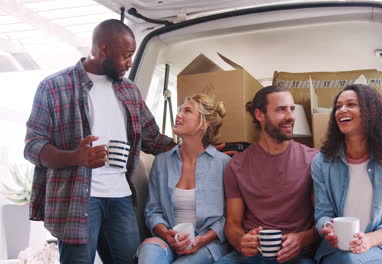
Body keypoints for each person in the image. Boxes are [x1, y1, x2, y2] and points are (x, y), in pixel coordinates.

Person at [23, 19, 175, 264]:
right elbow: (32, 146)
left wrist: (199, 149)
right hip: (77, 199)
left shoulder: (129, 90)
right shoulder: (54, 87)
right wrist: (76, 157)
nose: (130, 62)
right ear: (104, 50)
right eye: (126, 55)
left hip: (121, 198)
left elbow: (153, 139)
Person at [215, 85, 320, 264]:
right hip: (251, 254)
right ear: (259, 115)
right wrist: (241, 241)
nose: (290, 117)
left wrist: (303, 238)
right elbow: (232, 223)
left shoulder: (313, 160)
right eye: (281, 109)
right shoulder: (237, 165)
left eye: (291, 109)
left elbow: (324, 221)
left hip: (296, 255)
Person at [312, 84, 382, 264]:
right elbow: (323, 213)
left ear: (371, 112)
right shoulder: (322, 162)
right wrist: (327, 228)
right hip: (336, 250)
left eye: (351, 104)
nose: (342, 110)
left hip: (380, 248)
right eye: (338, 106)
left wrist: (368, 240)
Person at [138, 93, 230, 264]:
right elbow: (153, 211)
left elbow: (229, 217)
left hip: (207, 243)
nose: (178, 114)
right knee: (149, 253)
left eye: (187, 111)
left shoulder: (224, 164)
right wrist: (166, 234)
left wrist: (201, 240)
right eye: (179, 110)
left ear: (204, 124)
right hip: (169, 239)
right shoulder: (162, 162)